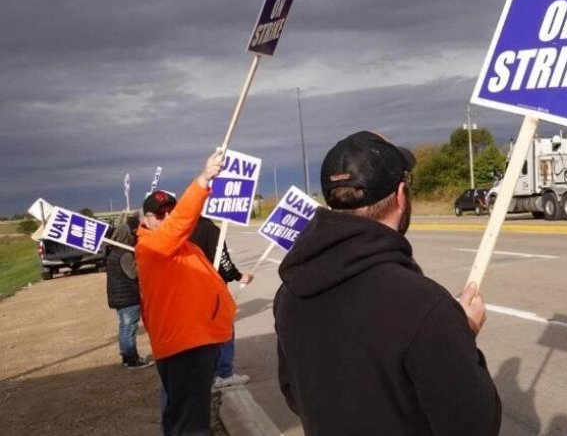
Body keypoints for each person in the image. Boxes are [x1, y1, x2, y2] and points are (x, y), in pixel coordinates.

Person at [274, 131, 502, 435]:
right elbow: (475, 424)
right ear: (400, 196)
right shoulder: (424, 305)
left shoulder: (289, 293)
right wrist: (461, 334)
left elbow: (294, 394)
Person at [136, 150, 236, 436]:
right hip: (185, 345)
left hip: (190, 341)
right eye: (160, 214)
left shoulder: (173, 246)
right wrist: (204, 179)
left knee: (180, 414)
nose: (167, 217)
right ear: (147, 220)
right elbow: (181, 221)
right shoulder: (153, 247)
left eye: (171, 210)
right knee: (191, 423)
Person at [188, 216, 253, 389]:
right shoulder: (210, 229)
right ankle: (224, 373)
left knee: (202, 334)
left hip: (189, 290)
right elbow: (223, 261)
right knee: (224, 329)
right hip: (212, 288)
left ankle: (205, 372)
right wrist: (239, 276)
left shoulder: (182, 229)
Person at [105, 212, 153, 369]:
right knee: (129, 327)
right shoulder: (124, 254)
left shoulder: (113, 252)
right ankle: (131, 358)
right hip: (127, 297)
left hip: (119, 296)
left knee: (124, 327)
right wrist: (140, 263)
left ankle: (127, 357)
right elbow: (132, 274)